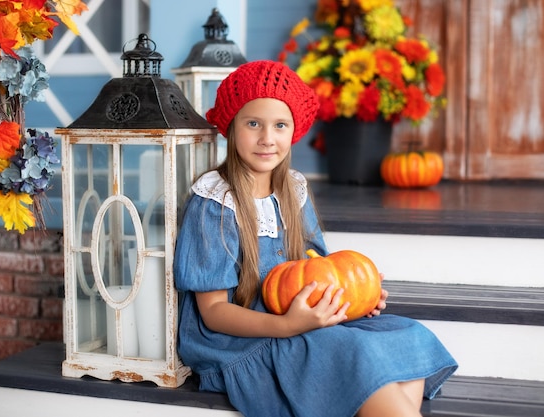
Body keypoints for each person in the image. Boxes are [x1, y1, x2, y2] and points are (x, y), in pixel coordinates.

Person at [174, 60, 457, 417]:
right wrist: (287, 325)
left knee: (404, 338)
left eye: (279, 125)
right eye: (253, 124)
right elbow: (213, 313)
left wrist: (352, 296)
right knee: (358, 354)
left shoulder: (292, 189)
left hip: (296, 317)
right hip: (243, 337)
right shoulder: (215, 201)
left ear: (293, 131)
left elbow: (317, 269)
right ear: (230, 128)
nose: (267, 138)